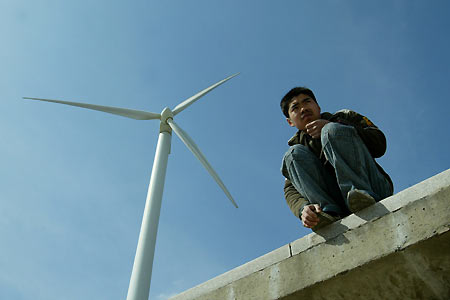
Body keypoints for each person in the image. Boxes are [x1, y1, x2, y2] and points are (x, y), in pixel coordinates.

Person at [280, 87, 393, 230]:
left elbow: (379, 144)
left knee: (331, 130)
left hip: (373, 187)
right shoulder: (297, 151)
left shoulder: (344, 117)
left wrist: (336, 127)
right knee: (292, 154)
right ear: (290, 121)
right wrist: (303, 209)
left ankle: (358, 192)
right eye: (295, 108)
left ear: (318, 106)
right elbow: (290, 189)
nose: (303, 109)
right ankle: (328, 212)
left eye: (307, 102)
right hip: (337, 206)